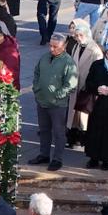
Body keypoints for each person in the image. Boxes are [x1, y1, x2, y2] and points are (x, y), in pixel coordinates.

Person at [31, 35, 79, 171]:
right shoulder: (45, 58)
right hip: (42, 101)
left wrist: (58, 95)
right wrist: (36, 88)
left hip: (57, 105)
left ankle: (57, 159)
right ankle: (44, 154)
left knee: (59, 132)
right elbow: (36, 73)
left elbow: (71, 84)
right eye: (50, 45)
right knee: (44, 130)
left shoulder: (68, 62)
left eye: (55, 47)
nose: (51, 49)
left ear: (63, 47)